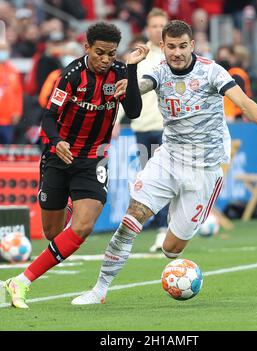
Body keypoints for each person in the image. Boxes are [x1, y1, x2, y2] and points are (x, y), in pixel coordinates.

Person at [72, 20, 257, 305]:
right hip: (168, 157)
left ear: (192, 45)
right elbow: (139, 88)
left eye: (182, 46)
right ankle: (100, 289)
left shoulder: (212, 71)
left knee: (171, 249)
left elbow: (244, 103)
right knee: (131, 220)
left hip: (204, 168)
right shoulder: (159, 72)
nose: (176, 53)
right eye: (170, 47)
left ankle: (182, 213)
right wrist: (127, 80)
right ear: (163, 47)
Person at [4, 21, 149, 309]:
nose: (106, 60)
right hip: (60, 157)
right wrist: (57, 141)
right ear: (86, 48)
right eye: (100, 53)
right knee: (53, 234)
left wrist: (131, 70)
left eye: (111, 54)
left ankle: (20, 281)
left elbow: (133, 110)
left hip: (94, 158)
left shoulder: (120, 71)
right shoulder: (70, 76)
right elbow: (47, 117)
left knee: (81, 228)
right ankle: (68, 203)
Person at [113, 7, 169, 252]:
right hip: (143, 127)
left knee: (166, 178)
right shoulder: (140, 54)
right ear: (148, 28)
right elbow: (127, 90)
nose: (158, 30)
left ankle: (165, 229)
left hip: (167, 127)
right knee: (149, 181)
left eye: (162, 26)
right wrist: (115, 120)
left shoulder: (174, 54)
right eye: (154, 26)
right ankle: (159, 226)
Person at [0, 41, 23, 144]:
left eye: (4, 49)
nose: (2, 51)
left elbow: (18, 93)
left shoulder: (13, 70)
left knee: (6, 152)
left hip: (8, 119)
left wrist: (18, 112)